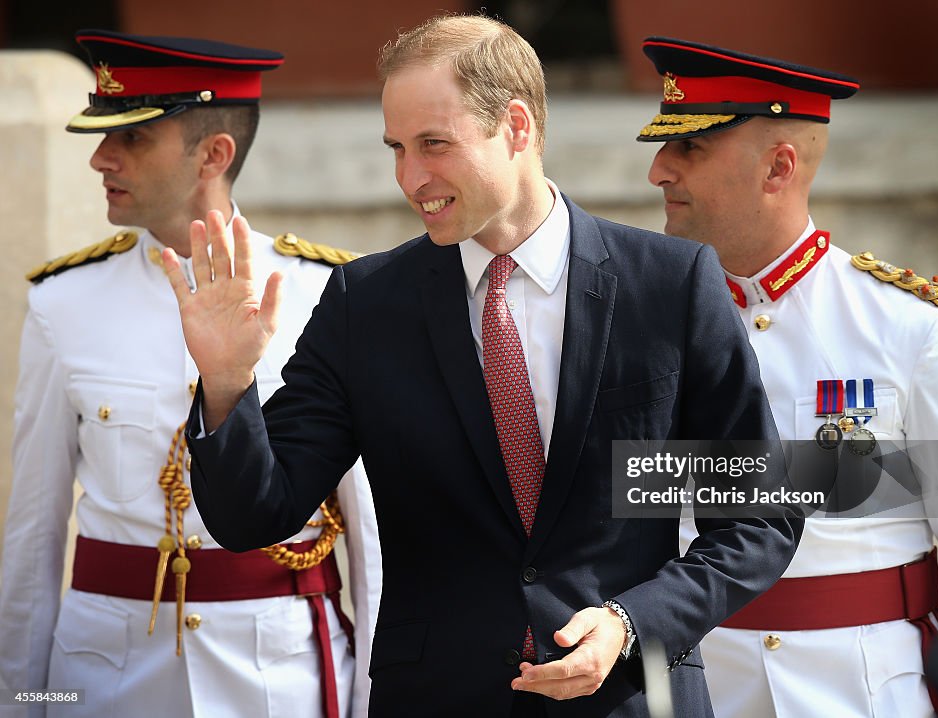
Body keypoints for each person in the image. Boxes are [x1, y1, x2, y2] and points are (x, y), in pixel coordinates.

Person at [162, 14, 803, 718]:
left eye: (434, 144)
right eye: (397, 148)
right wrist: (227, 385)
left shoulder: (671, 285)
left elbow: (756, 520)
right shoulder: (364, 305)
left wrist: (630, 623)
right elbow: (257, 513)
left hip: (631, 699)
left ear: (517, 126)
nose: (411, 177)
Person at [638, 37, 938, 717]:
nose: (658, 171)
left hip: (866, 691)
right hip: (701, 689)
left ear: (777, 168)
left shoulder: (906, 327)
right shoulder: (644, 327)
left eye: (689, 149)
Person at [0, 30, 381, 718]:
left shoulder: (330, 292)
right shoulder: (64, 301)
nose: (99, 157)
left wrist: (377, 702)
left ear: (214, 153)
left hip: (279, 677)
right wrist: (19, 700)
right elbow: (34, 533)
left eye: (133, 139)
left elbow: (376, 536)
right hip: (104, 681)